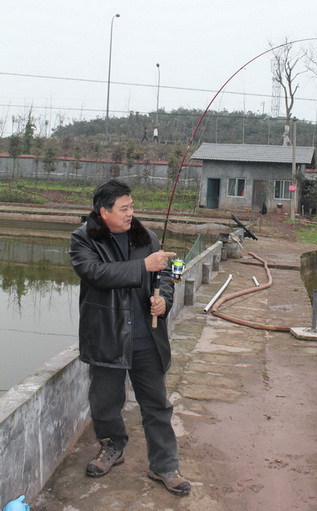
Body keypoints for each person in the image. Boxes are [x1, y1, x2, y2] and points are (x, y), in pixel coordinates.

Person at [69, 179, 191, 495]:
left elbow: (164, 274)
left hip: (145, 337)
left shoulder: (144, 236)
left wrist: (163, 300)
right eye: (124, 208)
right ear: (103, 211)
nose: (130, 213)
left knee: (156, 405)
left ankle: (165, 465)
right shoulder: (84, 240)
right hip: (107, 336)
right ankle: (112, 447)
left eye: (132, 206)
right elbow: (96, 274)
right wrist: (142, 266)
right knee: (104, 402)